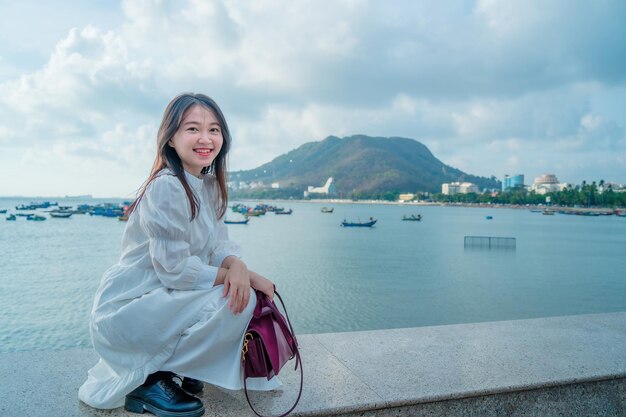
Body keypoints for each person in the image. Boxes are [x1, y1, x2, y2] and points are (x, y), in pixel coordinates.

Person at [79, 93, 279, 417]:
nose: (205, 138)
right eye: (192, 129)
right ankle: (151, 381)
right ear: (171, 137)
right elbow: (174, 269)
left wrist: (239, 266)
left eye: (214, 129)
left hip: (161, 299)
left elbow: (217, 248)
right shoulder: (167, 185)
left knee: (241, 295)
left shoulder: (209, 185)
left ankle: (183, 366)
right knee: (234, 299)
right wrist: (243, 277)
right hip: (130, 307)